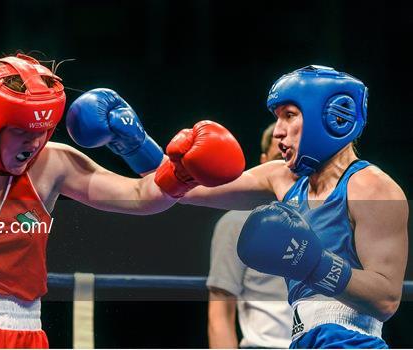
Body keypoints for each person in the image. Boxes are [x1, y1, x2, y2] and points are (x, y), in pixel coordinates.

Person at [0, 53, 245, 348]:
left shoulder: (51, 164)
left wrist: (180, 173)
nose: (34, 142)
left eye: (42, 130)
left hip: (21, 331)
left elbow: (140, 196)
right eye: (21, 130)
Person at [164, 65, 408, 348]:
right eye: (277, 118)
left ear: (332, 118)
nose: (278, 132)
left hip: (350, 340)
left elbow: (386, 300)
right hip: (301, 339)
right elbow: (188, 188)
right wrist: (136, 147)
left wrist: (316, 264)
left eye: (289, 116)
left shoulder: (371, 187)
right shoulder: (282, 177)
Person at [207, 122, 293, 349]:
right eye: (279, 158)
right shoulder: (237, 223)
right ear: (265, 163)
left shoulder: (331, 217)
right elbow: (220, 314)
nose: (287, 168)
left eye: (294, 159)